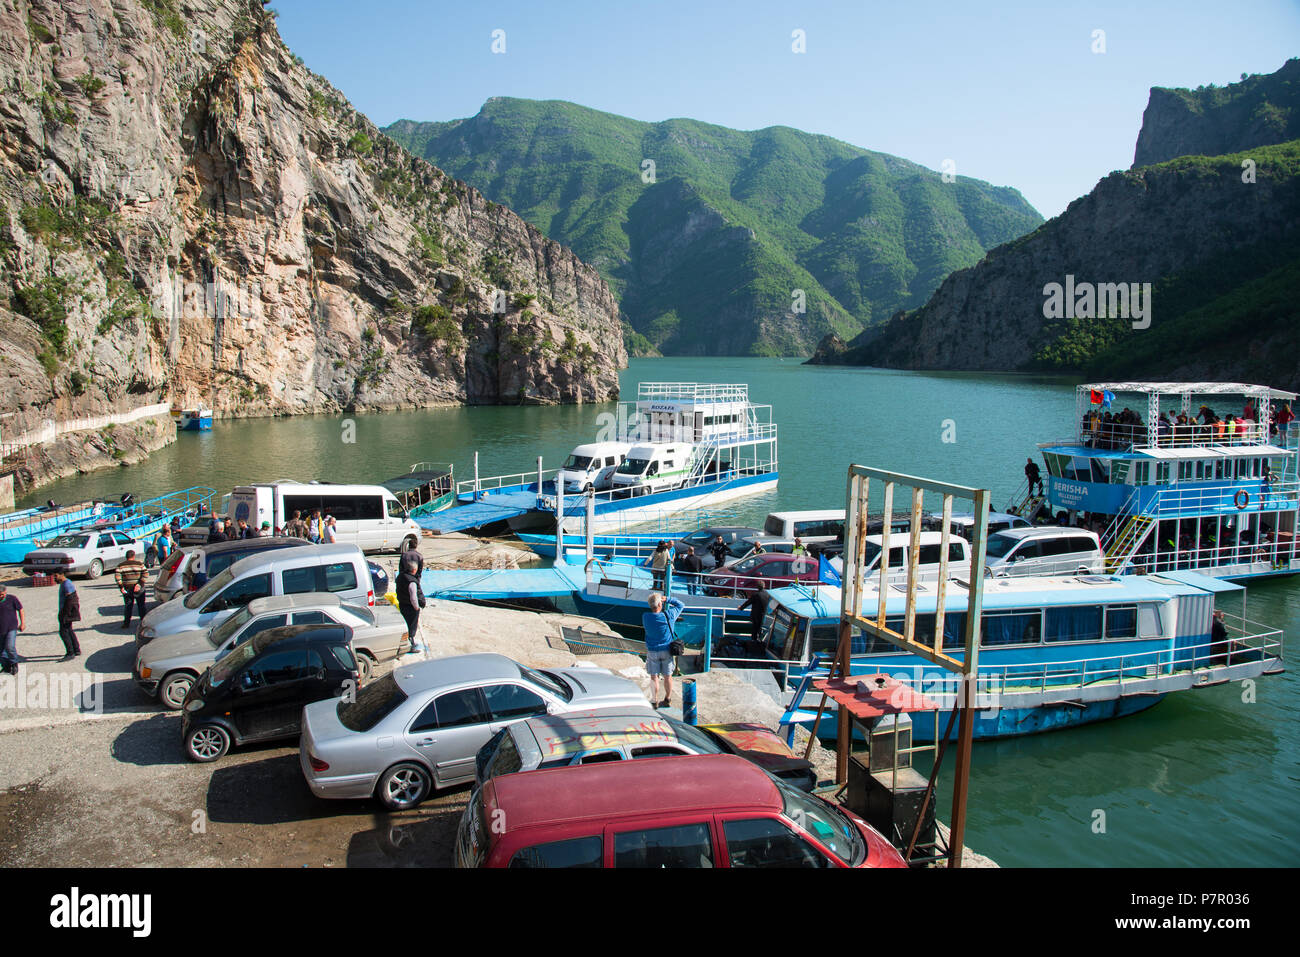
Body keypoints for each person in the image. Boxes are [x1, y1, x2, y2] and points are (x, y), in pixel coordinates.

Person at [642, 592, 684, 709]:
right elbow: (681, 605)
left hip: (652, 651)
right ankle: (668, 699)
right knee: (668, 676)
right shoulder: (669, 615)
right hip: (666, 650)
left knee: (654, 677)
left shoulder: (645, 617)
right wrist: (668, 599)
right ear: (660, 603)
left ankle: (654, 701)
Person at [395, 552, 427, 656]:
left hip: (403, 604)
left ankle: (406, 643)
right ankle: (410, 645)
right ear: (414, 570)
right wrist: (417, 607)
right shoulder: (412, 581)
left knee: (406, 624)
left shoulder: (400, 577)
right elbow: (413, 597)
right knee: (411, 627)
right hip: (410, 607)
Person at [115, 548, 148, 629]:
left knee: (128, 606)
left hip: (127, 588)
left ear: (126, 557)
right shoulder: (140, 564)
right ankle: (144, 623)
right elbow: (146, 574)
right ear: (134, 556)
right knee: (141, 606)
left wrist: (121, 587)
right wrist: (139, 584)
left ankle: (126, 623)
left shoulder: (120, 566)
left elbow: (118, 578)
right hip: (139, 588)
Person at [53, 571, 81, 662]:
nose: (55, 577)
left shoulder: (67, 585)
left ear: (62, 574)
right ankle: (76, 649)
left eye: (56, 575)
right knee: (69, 630)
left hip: (66, 612)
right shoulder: (65, 583)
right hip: (66, 612)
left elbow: (71, 600)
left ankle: (70, 652)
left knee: (63, 632)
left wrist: (66, 614)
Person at [0, 583, 25, 676]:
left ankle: (14, 663)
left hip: (11, 627)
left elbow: (21, 609)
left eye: (2, 594)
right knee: (1, 650)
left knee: (9, 646)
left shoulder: (12, 599)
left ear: (5, 592)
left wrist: (22, 623)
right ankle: (6, 666)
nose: (0, 596)